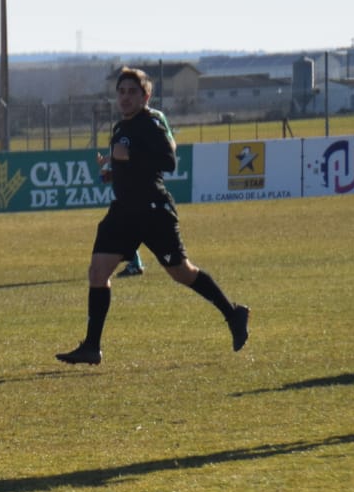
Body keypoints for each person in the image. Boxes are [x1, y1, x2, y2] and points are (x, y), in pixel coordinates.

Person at [56, 67, 248, 366]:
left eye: (133, 92)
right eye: (121, 91)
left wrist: (128, 158)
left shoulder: (151, 123)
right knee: (97, 272)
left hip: (152, 210)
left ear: (146, 95)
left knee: (181, 272)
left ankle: (232, 313)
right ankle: (92, 347)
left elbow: (168, 162)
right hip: (123, 211)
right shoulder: (121, 127)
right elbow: (127, 162)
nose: (126, 97)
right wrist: (113, 171)